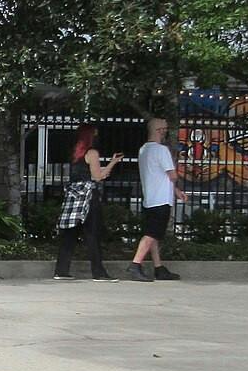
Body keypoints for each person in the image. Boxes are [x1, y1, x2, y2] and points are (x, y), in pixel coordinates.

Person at [54, 124, 123, 282]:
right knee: (92, 233)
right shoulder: (92, 152)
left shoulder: (76, 153)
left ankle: (61, 270)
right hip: (87, 196)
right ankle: (98, 272)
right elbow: (97, 177)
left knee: (70, 234)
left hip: (74, 196)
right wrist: (113, 162)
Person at [126, 118, 186, 282]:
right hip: (161, 200)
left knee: (151, 234)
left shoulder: (144, 150)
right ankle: (135, 264)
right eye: (164, 129)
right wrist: (177, 183)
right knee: (152, 234)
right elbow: (171, 174)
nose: (165, 132)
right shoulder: (161, 150)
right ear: (159, 130)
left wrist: (176, 191)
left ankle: (158, 267)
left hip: (150, 197)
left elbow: (158, 175)